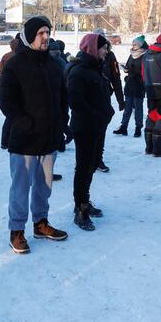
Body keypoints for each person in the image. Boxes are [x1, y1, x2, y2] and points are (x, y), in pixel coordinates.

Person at [0, 16, 69, 254]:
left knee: (43, 187)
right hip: (25, 140)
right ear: (29, 37)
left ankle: (40, 223)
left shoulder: (54, 64)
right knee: (20, 188)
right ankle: (16, 231)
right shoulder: (15, 64)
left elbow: (62, 98)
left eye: (47, 33)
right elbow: (6, 101)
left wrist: (62, 122)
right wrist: (24, 122)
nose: (46, 37)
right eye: (40, 33)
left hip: (49, 139)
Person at [67, 33, 114, 230]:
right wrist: (97, 114)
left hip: (97, 126)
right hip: (85, 127)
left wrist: (106, 111)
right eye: (103, 47)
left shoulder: (95, 68)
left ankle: (84, 200)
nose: (106, 51)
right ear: (93, 48)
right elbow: (76, 102)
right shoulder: (79, 71)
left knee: (92, 165)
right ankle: (80, 209)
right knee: (84, 167)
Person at [97, 37, 124, 172]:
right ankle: (84, 161)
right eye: (102, 47)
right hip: (89, 101)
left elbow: (116, 78)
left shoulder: (110, 56)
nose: (105, 50)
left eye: (106, 47)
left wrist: (120, 99)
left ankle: (98, 159)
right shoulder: (83, 57)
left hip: (105, 97)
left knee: (101, 130)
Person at [114, 35, 146, 137]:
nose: (133, 46)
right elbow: (128, 66)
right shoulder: (131, 55)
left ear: (140, 45)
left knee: (138, 108)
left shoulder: (145, 55)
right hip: (130, 84)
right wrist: (126, 69)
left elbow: (144, 72)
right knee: (127, 108)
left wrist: (132, 71)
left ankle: (138, 128)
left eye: (135, 44)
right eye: (133, 44)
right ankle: (124, 127)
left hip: (139, 85)